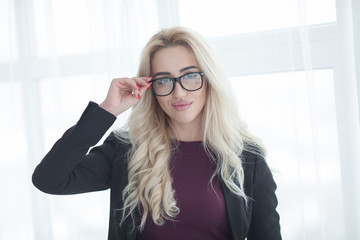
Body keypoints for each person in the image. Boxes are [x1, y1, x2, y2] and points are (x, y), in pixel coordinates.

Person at [32, 26, 281, 240]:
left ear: (210, 80)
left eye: (190, 76)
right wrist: (107, 110)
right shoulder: (127, 150)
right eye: (164, 80)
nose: (179, 92)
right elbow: (49, 179)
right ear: (150, 87)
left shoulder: (247, 158)